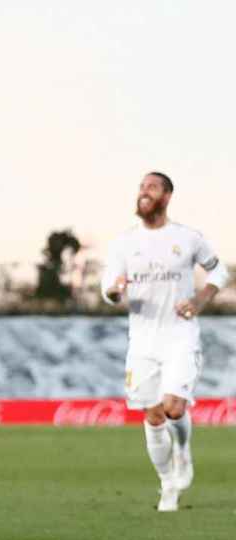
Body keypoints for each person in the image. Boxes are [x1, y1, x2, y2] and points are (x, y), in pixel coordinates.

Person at [101, 171, 228, 512]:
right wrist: (114, 291)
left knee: (174, 406)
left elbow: (220, 271)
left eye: (152, 187)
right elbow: (108, 287)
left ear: (167, 196)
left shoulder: (187, 238)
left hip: (180, 336)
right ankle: (167, 484)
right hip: (142, 342)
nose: (144, 192)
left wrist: (200, 300)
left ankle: (183, 453)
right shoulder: (123, 243)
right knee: (154, 416)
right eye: (141, 187)